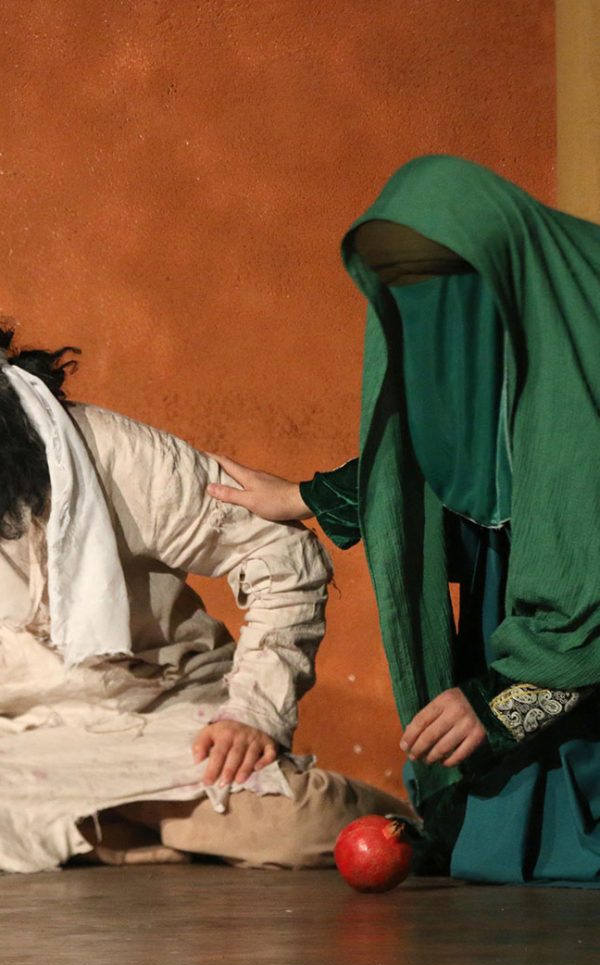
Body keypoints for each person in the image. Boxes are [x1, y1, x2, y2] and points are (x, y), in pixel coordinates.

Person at [207, 155, 600, 884]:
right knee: (490, 837)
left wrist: (499, 706)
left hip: (579, 622)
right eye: (403, 290)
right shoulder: (509, 318)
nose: (432, 312)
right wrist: (306, 497)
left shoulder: (584, 335)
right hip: (526, 609)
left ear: (500, 261)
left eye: (445, 280)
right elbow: (442, 455)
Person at [0, 330, 409, 874]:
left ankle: (419, 828)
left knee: (292, 829)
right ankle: (134, 829)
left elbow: (279, 552)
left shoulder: (106, 450)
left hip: (157, 715)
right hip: (22, 738)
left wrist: (255, 712)